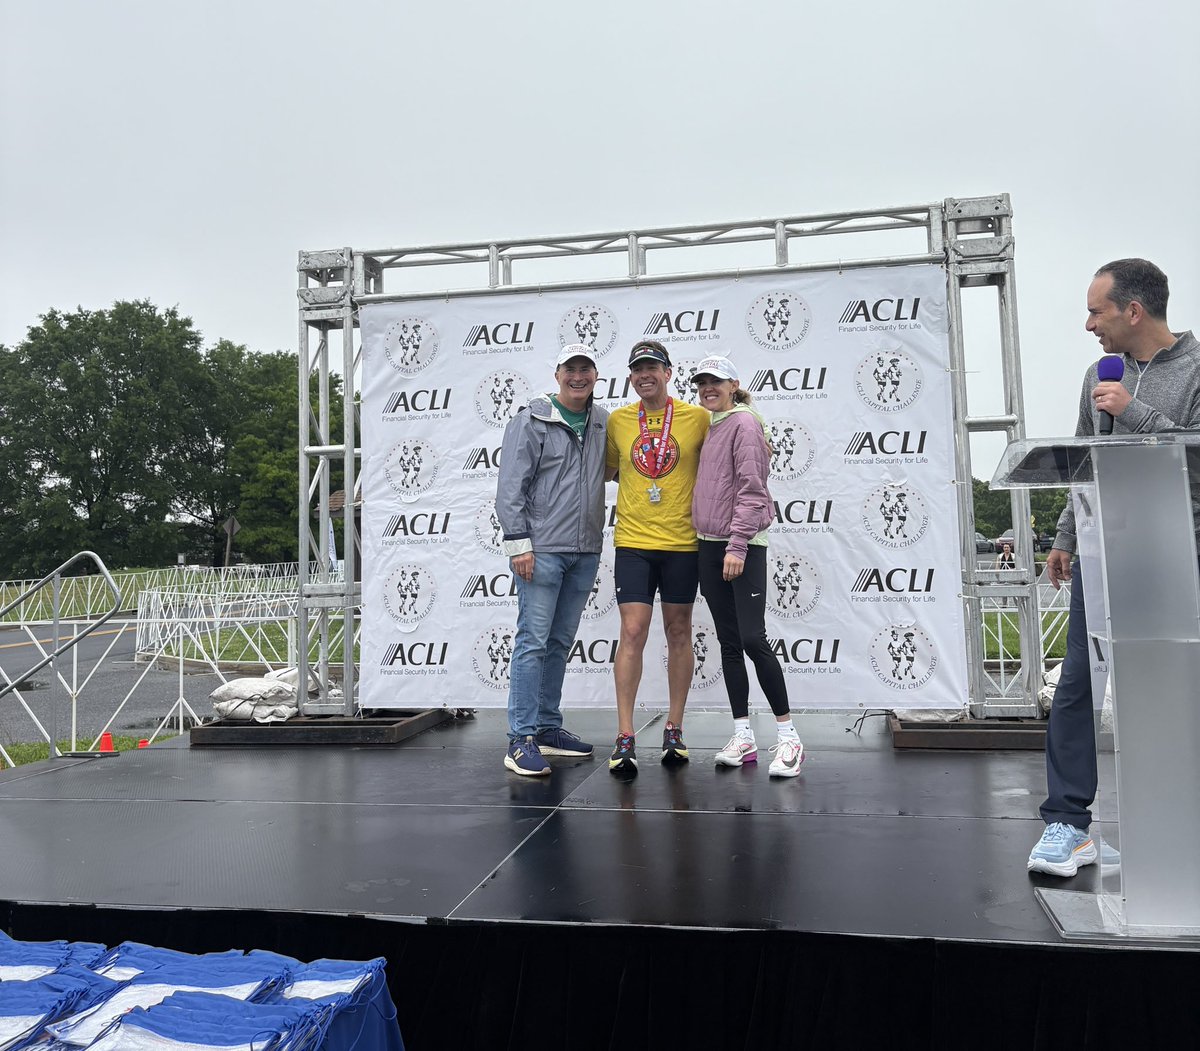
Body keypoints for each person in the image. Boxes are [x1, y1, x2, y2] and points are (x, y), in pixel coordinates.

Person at [1028, 258, 1200, 875]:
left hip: (1182, 559)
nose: (1087, 325)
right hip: (1107, 554)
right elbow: (1084, 462)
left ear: (1133, 310)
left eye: (1097, 311)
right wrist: (1066, 536)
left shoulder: (1197, 369)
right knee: (1076, 685)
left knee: (1177, 692)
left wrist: (1134, 410)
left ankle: (1179, 826)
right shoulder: (1095, 376)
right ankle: (1068, 825)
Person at [495, 344, 609, 776]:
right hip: (540, 550)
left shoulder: (602, 420)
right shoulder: (530, 419)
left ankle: (546, 727)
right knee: (533, 642)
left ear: (596, 375)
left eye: (585, 369)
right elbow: (510, 487)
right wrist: (518, 544)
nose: (578, 376)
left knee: (559, 643)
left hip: (584, 550)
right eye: (570, 369)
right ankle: (520, 738)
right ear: (557, 373)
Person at [690, 355, 804, 777]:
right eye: (702, 383)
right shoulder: (716, 423)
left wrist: (736, 546)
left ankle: (790, 739)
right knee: (729, 642)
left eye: (715, 382)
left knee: (754, 639)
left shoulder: (744, 423)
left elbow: (753, 491)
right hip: (707, 545)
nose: (708, 389)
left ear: (734, 384)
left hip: (741, 547)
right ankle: (743, 736)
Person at [604, 339, 710, 774]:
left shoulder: (696, 418)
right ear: (630, 377)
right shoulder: (618, 420)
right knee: (632, 631)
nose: (644, 375)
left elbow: (728, 454)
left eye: (653, 367)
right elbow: (608, 469)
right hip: (633, 540)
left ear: (669, 372)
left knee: (679, 631)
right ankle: (625, 734)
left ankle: (674, 728)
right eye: (637, 369)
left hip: (684, 541)